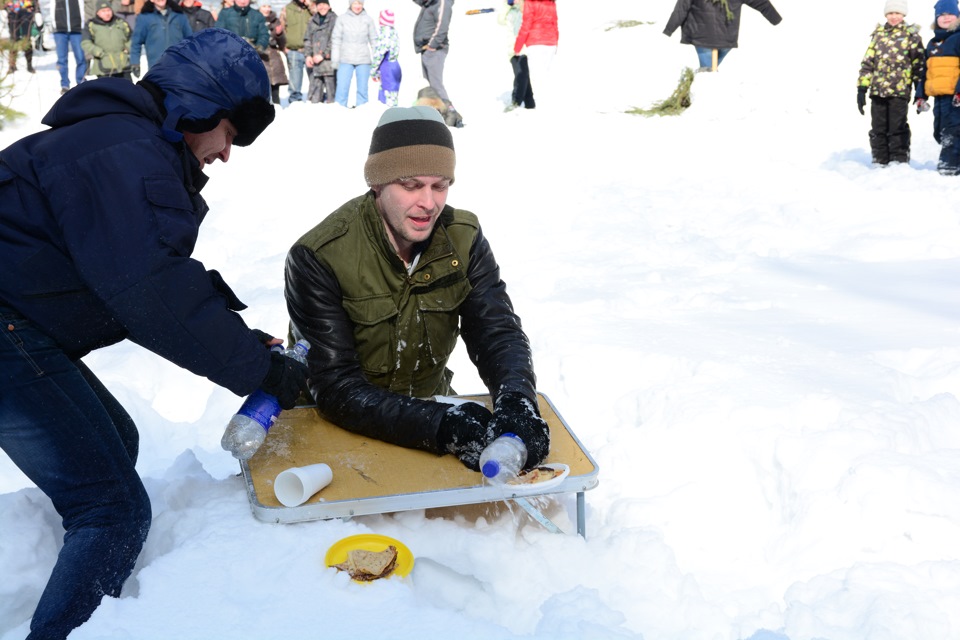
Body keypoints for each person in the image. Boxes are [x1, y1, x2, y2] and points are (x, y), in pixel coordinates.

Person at [0, 28, 308, 640]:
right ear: (200, 107)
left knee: (116, 440)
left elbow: (146, 275)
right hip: (8, 330)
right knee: (113, 509)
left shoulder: (124, 144)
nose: (226, 153)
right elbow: (150, 291)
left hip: (18, 322)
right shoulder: (126, 153)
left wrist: (243, 341)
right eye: (231, 132)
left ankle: (83, 577)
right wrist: (266, 372)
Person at [284, 106, 551, 475]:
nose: (428, 203)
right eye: (411, 186)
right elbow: (336, 388)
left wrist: (517, 400)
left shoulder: (463, 238)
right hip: (331, 426)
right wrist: (443, 425)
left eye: (440, 185)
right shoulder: (320, 256)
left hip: (430, 408)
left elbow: (496, 331)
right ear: (377, 183)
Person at [857, 1, 925, 166]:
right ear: (885, 14)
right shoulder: (878, 34)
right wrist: (862, 87)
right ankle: (879, 160)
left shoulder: (911, 35)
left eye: (897, 13)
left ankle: (898, 161)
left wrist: (920, 90)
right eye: (890, 13)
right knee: (878, 128)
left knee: (897, 127)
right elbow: (868, 63)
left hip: (899, 92)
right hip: (878, 91)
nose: (894, 17)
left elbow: (919, 64)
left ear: (903, 15)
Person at [663, 0, 782, 72]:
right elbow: (761, 3)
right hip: (726, 36)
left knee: (708, 72)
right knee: (710, 70)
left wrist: (669, 29)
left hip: (701, 36)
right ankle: (701, 90)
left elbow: (681, 8)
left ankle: (703, 96)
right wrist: (775, 19)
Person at [917, 0, 960, 174]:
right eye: (942, 15)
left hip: (955, 97)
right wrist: (921, 96)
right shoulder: (932, 44)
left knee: (952, 130)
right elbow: (925, 71)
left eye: (950, 14)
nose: (946, 18)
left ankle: (949, 165)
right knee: (939, 131)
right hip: (939, 97)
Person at [413, 0, 463, 125]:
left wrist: (432, 45)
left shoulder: (443, 2)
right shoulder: (431, 3)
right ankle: (437, 114)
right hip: (425, 49)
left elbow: (442, 26)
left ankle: (452, 115)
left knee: (436, 84)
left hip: (434, 50)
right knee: (431, 85)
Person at [330, 0, 377, 108]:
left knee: (363, 90)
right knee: (342, 88)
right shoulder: (342, 19)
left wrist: (377, 59)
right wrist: (335, 59)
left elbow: (374, 40)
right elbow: (336, 39)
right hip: (345, 58)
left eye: (360, 3)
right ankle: (340, 109)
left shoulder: (368, 20)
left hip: (363, 59)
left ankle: (362, 110)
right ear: (350, 4)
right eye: (355, 3)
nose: (357, 6)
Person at [128, 0, 192, 75]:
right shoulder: (144, 18)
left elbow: (190, 40)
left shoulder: (179, 16)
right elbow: (136, 42)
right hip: (156, 66)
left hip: (178, 64)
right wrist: (135, 63)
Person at [512, 0, 555, 107]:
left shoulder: (529, 3)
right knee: (546, 77)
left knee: (536, 79)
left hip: (535, 43)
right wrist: (556, 40)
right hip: (551, 42)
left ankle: (534, 106)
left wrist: (518, 46)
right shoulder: (550, 2)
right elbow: (554, 21)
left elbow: (526, 25)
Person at [81, 0, 133, 79]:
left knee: (129, 90)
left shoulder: (121, 22)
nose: (107, 13)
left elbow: (132, 37)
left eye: (108, 10)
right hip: (103, 66)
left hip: (123, 64)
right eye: (103, 11)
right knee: (107, 90)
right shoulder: (91, 25)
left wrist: (128, 47)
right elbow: (85, 42)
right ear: (97, 12)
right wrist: (98, 52)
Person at [499, 0, 534, 111]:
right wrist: (507, 5)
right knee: (522, 75)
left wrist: (521, 5)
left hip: (523, 48)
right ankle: (530, 102)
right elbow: (500, 20)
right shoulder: (509, 11)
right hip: (512, 49)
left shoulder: (525, 8)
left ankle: (516, 101)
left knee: (521, 75)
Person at [52, 0, 88, 94]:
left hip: (77, 29)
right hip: (59, 30)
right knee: (61, 59)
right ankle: (65, 84)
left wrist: (83, 24)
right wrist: (52, 24)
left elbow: (84, 7)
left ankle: (81, 81)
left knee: (80, 57)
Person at [304, 0, 336, 103]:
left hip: (329, 61)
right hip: (315, 63)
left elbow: (335, 40)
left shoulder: (335, 20)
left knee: (332, 94)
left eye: (324, 4)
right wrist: (308, 55)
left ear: (329, 6)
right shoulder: (312, 20)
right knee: (315, 96)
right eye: (319, 5)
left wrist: (323, 55)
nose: (322, 7)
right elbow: (307, 39)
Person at [280, 0, 310, 103]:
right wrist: (284, 46)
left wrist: (309, 5)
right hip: (293, 49)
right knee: (295, 77)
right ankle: (294, 99)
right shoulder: (287, 9)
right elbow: (281, 28)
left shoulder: (312, 8)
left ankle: (315, 98)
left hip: (311, 49)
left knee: (315, 77)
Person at [259, 0, 288, 104]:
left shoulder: (275, 21)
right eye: (264, 6)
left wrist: (279, 34)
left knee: (275, 83)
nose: (267, 9)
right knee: (262, 83)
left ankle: (277, 105)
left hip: (273, 54)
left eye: (268, 6)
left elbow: (282, 43)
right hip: (260, 55)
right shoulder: (255, 19)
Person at [371, 8, 401, 106]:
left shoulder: (384, 33)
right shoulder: (394, 32)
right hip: (395, 65)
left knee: (387, 97)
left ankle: (390, 117)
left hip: (387, 67)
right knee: (393, 93)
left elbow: (379, 54)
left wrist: (374, 71)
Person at [4, 0, 36, 73]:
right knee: (13, 38)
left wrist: (36, 9)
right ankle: (12, 65)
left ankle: (29, 65)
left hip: (27, 8)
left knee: (27, 38)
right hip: (12, 9)